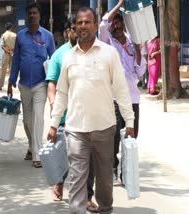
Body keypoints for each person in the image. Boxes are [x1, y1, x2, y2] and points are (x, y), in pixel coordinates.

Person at [47, 7, 135, 214]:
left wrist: (129, 122)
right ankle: (77, 210)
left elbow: (122, 90)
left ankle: (105, 209)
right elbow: (61, 94)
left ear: (95, 26)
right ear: (74, 27)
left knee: (105, 179)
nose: (83, 26)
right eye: (80, 23)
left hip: (104, 128)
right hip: (76, 129)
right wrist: (53, 123)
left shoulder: (109, 53)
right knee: (77, 178)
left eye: (88, 22)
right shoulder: (68, 57)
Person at [46, 16, 98, 212]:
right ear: (69, 31)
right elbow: (51, 82)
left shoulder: (95, 52)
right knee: (68, 156)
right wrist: (53, 104)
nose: (80, 31)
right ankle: (59, 180)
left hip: (89, 115)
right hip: (66, 116)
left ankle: (87, 197)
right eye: (76, 28)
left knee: (88, 157)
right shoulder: (60, 55)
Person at [98, 0, 146, 182]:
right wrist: (119, 4)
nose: (116, 25)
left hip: (133, 99)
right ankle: (113, 167)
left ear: (124, 24)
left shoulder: (133, 42)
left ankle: (126, 173)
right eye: (114, 22)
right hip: (114, 99)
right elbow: (103, 23)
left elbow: (140, 72)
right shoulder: (106, 42)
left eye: (119, 22)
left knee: (131, 138)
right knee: (115, 139)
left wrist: (139, 50)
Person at [8, 2, 55, 168]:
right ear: (26, 16)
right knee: (27, 120)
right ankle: (31, 146)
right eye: (30, 13)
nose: (32, 16)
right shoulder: (20, 36)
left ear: (39, 16)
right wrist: (11, 80)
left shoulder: (47, 36)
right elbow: (15, 61)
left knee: (38, 118)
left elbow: (54, 59)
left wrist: (54, 82)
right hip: (24, 84)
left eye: (35, 13)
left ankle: (37, 154)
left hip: (41, 84)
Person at [0, 22, 16, 91]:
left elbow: (2, 46)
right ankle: (11, 85)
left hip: (6, 54)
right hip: (13, 54)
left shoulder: (3, 35)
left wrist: (8, 51)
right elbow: (17, 46)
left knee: (3, 70)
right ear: (11, 27)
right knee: (12, 70)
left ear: (5, 28)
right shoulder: (15, 35)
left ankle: (0, 86)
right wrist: (12, 51)